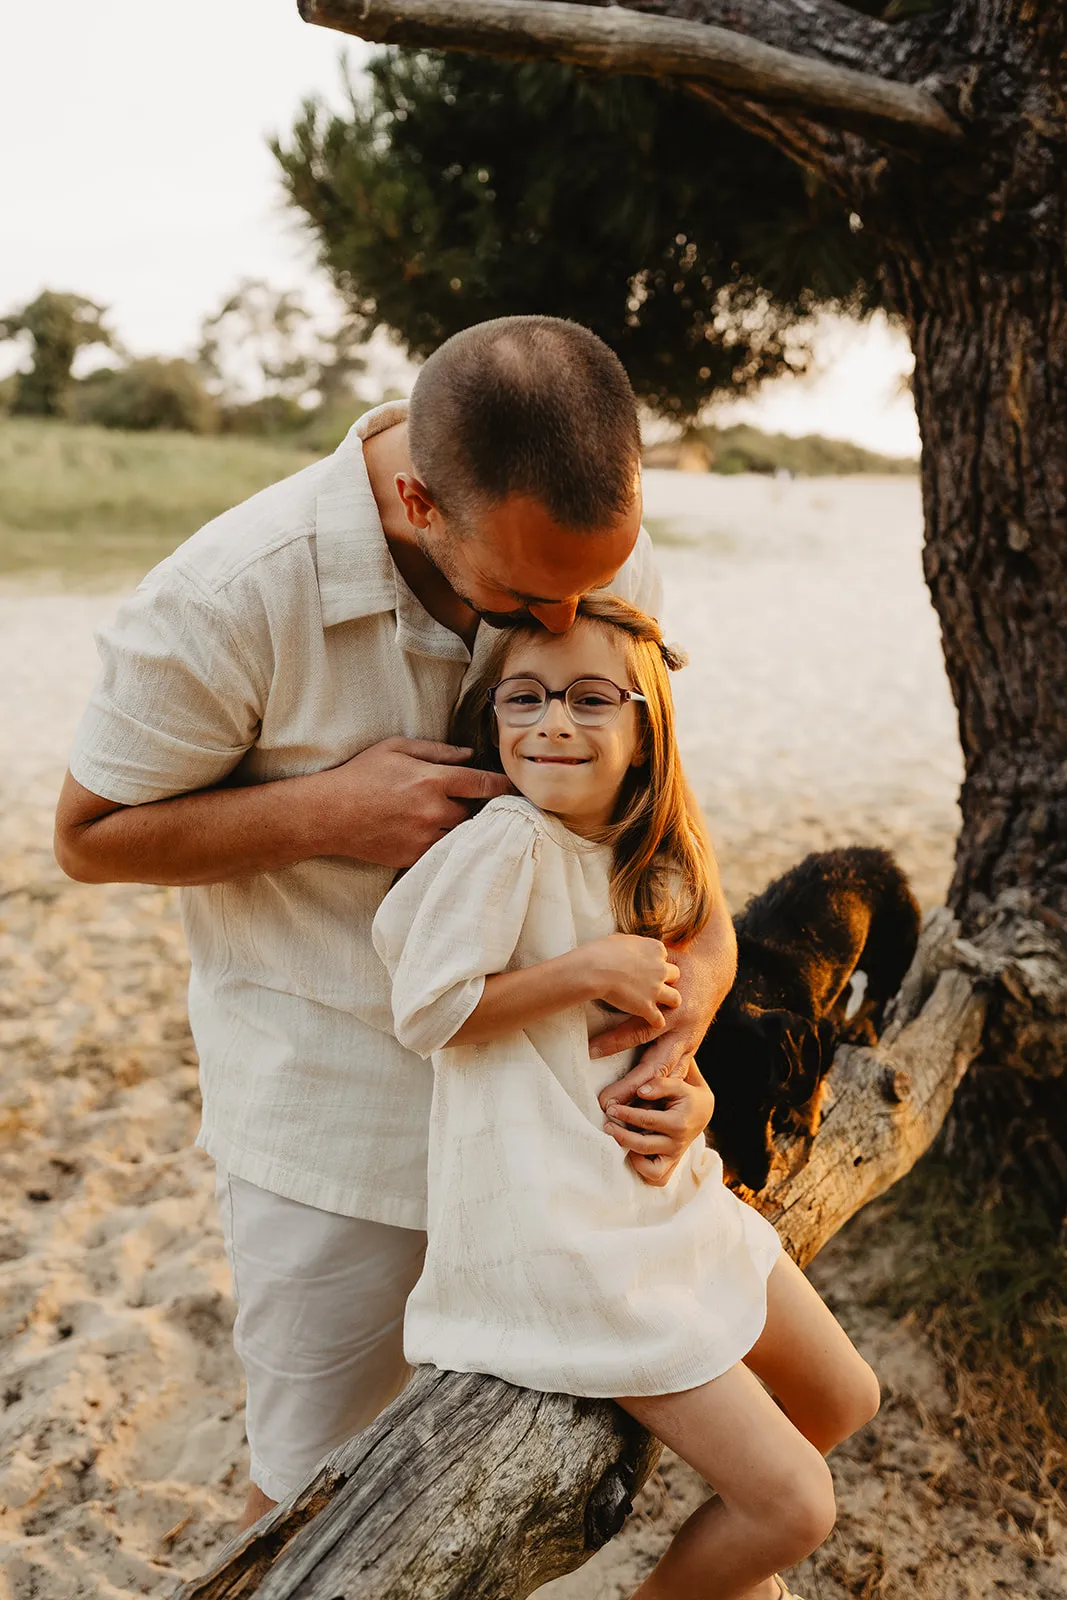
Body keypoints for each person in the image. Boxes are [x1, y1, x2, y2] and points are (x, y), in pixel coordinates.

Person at [53, 316, 738, 1530]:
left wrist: (676, 1054)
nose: (580, 607)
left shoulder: (583, 554)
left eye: (601, 578)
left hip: (553, 1121)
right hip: (334, 1118)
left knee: (531, 1468)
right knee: (310, 1490)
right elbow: (88, 836)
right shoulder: (225, 595)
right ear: (420, 500)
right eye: (536, 596)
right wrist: (326, 811)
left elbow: (659, 835)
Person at [372, 595, 881, 1600]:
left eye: (588, 697)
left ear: (644, 730)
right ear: (493, 720)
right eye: (523, 697)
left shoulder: (638, 852)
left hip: (654, 1194)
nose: (551, 720)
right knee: (797, 1506)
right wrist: (583, 968)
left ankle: (727, 1574)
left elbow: (647, 1041)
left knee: (842, 1396)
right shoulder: (508, 842)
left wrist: (683, 1095)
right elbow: (426, 1009)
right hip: (562, 1231)